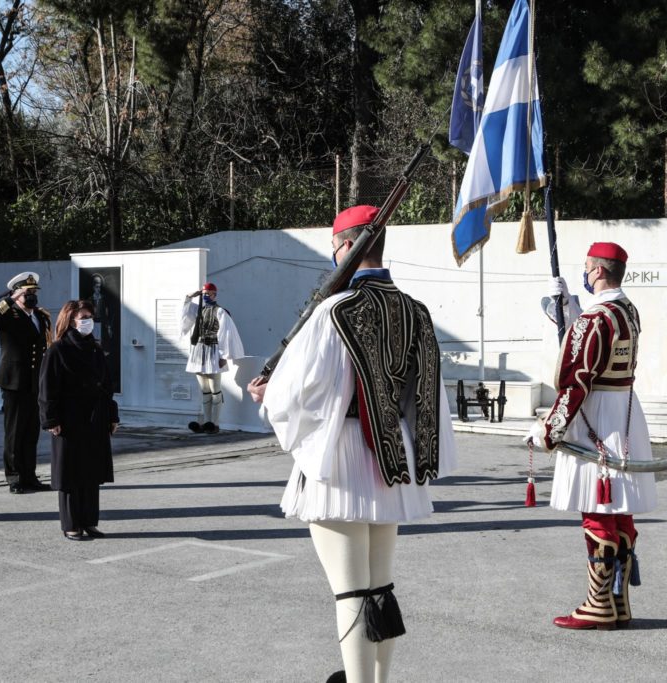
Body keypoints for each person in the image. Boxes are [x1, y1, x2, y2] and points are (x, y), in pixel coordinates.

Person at [247, 205, 458, 683]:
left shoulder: (334, 310)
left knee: (351, 594)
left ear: (345, 246)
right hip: (392, 459)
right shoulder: (415, 310)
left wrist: (266, 393)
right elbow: (428, 396)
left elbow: (302, 390)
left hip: (341, 457)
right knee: (380, 588)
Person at [527, 242, 657, 631]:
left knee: (597, 511)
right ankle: (616, 602)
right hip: (625, 411)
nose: (584, 274)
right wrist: (568, 311)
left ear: (598, 271)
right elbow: (591, 345)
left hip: (596, 416)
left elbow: (575, 380)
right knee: (618, 513)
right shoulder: (626, 311)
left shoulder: (596, 318)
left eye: (586, 268)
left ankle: (599, 604)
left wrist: (547, 431)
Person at [38, 300, 118, 541]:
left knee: (91, 472)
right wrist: (51, 419)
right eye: (83, 316)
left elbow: (106, 386)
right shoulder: (58, 349)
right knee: (71, 474)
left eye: (90, 316)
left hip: (95, 417)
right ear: (70, 320)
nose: (88, 321)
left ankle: (89, 521)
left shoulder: (94, 348)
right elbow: (47, 389)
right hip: (69, 419)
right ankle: (72, 524)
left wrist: (112, 415)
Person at [0, 271, 53, 493]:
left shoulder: (40, 317)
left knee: (31, 432)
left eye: (33, 292)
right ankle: (14, 478)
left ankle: (30, 476)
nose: (31, 296)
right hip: (14, 381)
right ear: (17, 294)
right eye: (27, 293)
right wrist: (10, 298)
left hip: (35, 381)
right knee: (14, 432)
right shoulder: (8, 315)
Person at [179, 282, 244, 434]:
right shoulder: (199, 310)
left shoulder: (220, 311)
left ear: (215, 294)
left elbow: (225, 334)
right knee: (205, 390)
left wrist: (224, 355)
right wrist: (189, 297)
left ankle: (214, 423)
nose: (206, 296)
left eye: (208, 294)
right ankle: (207, 422)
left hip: (213, 351)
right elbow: (185, 314)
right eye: (204, 294)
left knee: (215, 390)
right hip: (198, 351)